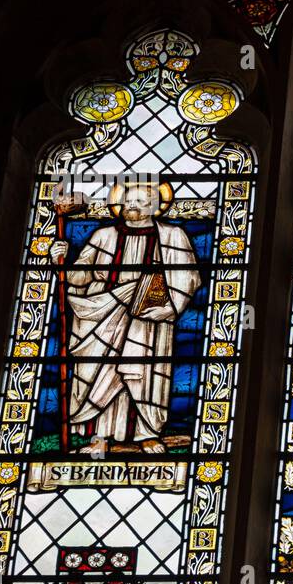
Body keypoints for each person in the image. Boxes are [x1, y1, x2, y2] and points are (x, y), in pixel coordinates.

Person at [48, 182, 199, 454]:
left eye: (141, 201)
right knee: (99, 370)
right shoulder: (103, 235)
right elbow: (81, 275)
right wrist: (61, 260)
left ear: (155, 206)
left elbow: (187, 277)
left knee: (143, 372)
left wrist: (166, 305)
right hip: (101, 313)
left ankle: (146, 434)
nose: (132, 206)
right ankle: (100, 436)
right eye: (128, 201)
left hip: (148, 316)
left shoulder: (173, 235)